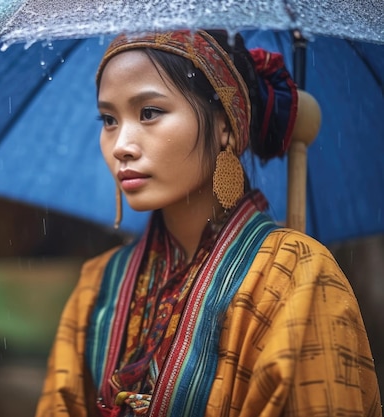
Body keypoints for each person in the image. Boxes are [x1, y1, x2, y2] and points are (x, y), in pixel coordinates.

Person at [34, 30, 382, 417]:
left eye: (149, 112)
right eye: (109, 119)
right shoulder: (97, 286)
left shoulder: (297, 275)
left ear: (225, 127)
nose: (121, 145)